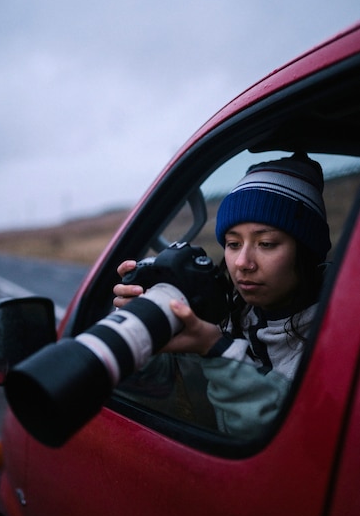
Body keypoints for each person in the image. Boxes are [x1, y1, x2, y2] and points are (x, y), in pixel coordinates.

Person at [113, 152, 331, 439]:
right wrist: (145, 321)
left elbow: (287, 440)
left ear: (306, 251)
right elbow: (154, 389)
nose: (242, 262)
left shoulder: (335, 342)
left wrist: (217, 351)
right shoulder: (224, 315)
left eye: (266, 243)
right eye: (232, 243)